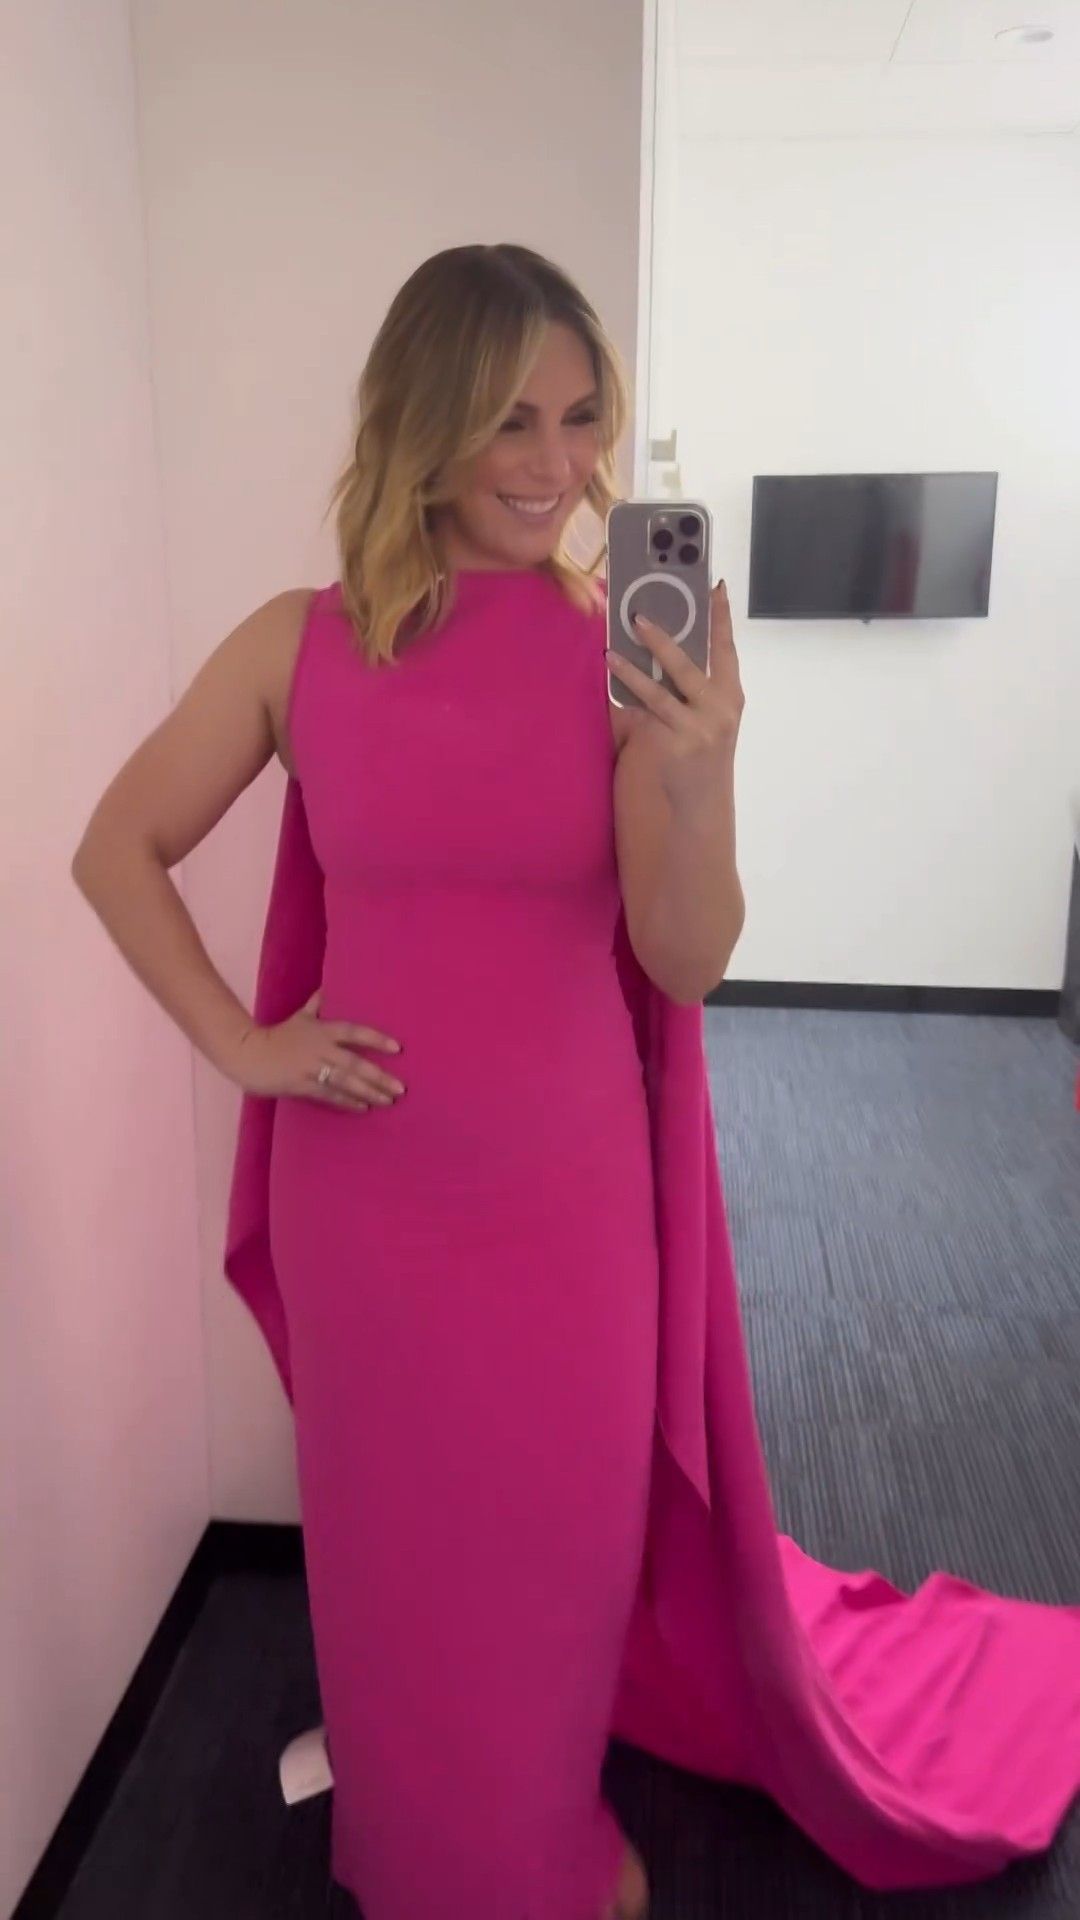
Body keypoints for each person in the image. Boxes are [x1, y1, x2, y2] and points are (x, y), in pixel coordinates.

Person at [71, 242, 745, 1920]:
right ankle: (410, 1848)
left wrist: (701, 767)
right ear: (423, 421)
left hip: (568, 1205)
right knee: (394, 1562)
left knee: (552, 1552)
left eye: (582, 419)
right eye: (512, 418)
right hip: (368, 1212)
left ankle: (531, 1846)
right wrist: (245, 1045)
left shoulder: (617, 654)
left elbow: (686, 959)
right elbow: (116, 848)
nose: (555, 462)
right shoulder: (295, 646)